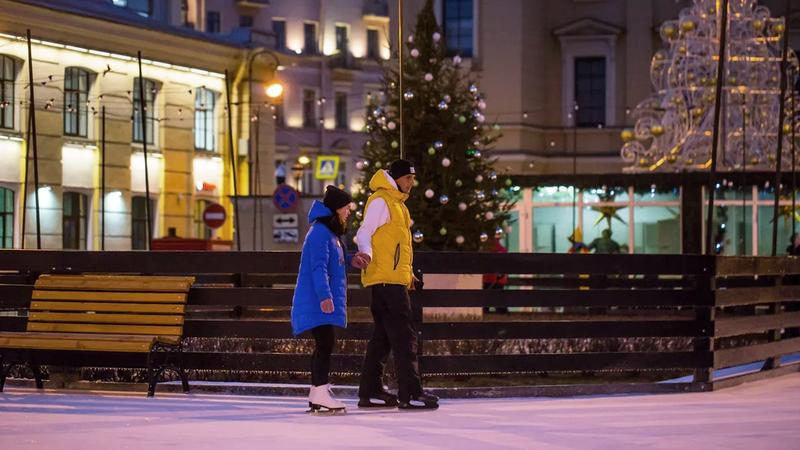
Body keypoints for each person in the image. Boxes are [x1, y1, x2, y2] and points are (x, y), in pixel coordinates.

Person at [355, 159, 439, 410]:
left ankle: (370, 392)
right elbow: (364, 233)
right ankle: (410, 394)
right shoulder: (382, 201)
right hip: (387, 282)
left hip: (390, 280)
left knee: (383, 338)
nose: (411, 183)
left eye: (413, 179)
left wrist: (408, 274)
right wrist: (366, 254)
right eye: (407, 179)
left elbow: (397, 247)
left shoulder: (397, 204)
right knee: (405, 337)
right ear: (395, 178)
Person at [291, 185, 371, 415]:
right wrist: (325, 296)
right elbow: (318, 268)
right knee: (325, 343)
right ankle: (319, 393)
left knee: (325, 344)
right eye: (346, 208)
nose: (348, 212)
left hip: (318, 300)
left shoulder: (329, 234)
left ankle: (318, 393)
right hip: (316, 300)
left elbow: (331, 261)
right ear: (336, 209)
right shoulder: (319, 233)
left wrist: (350, 259)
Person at [482, 238, 509, 314]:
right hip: (496, 279)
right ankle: (501, 311)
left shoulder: (485, 249)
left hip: (489, 279)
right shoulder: (501, 250)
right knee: (497, 298)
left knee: (487, 298)